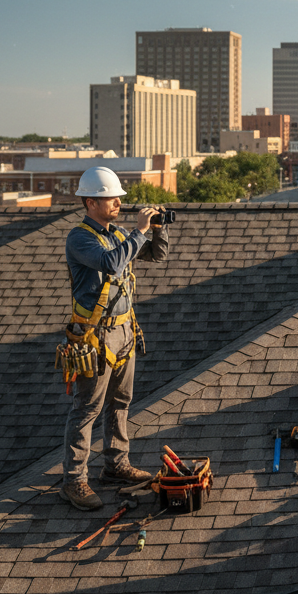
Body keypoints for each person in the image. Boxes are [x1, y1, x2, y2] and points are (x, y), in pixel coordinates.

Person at [61, 166, 169, 510]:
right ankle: (74, 480)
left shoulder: (119, 232)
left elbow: (155, 255)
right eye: (112, 198)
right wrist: (137, 232)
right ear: (91, 202)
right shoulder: (80, 239)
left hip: (124, 329)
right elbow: (110, 263)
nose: (119, 202)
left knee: (121, 402)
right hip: (95, 334)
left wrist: (156, 230)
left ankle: (115, 465)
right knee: (88, 408)